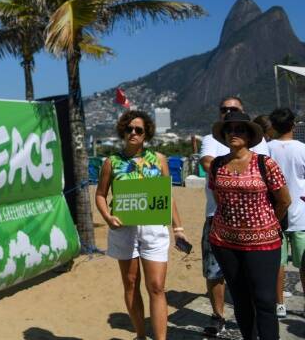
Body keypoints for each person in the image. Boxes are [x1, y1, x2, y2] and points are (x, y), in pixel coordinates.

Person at [95, 110, 188, 340]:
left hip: (154, 228)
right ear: (123, 132)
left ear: (146, 133)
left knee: (156, 286)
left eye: (139, 129)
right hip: (123, 229)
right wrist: (107, 216)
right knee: (131, 284)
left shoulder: (159, 160)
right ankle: (140, 335)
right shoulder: (111, 162)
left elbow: (168, 196)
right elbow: (100, 195)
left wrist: (178, 229)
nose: (133, 133)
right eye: (129, 129)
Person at [208, 111, 291, 340]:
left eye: (239, 129)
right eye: (229, 129)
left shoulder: (265, 163)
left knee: (264, 300)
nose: (233, 133)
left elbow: (284, 200)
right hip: (225, 242)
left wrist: (266, 223)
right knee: (241, 300)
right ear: (224, 135)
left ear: (249, 134)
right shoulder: (216, 165)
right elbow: (219, 200)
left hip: (263, 243)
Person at [199, 96, 270, 337]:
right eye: (224, 110)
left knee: (257, 286)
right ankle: (218, 315)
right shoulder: (210, 140)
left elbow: (277, 189)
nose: (228, 113)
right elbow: (207, 162)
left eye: (234, 110)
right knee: (214, 272)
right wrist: (233, 170)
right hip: (217, 219)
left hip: (258, 228)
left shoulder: (260, 147)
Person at [268, 107, 305, 318]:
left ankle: (279, 304)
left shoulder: (267, 149)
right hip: (301, 214)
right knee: (304, 264)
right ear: (293, 125)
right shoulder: (302, 149)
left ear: (272, 127)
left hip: (274, 215)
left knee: (277, 265)